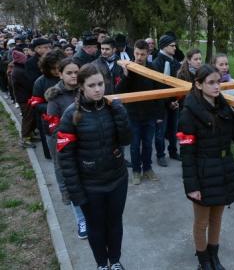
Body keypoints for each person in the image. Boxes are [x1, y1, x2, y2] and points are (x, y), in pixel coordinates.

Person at [57, 64, 131, 270]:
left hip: (117, 180)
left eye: (101, 84)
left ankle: (115, 261)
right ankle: (101, 264)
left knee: (115, 224)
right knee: (96, 228)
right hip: (90, 185)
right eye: (92, 85)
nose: (98, 89)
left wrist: (121, 114)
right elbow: (66, 160)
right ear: (81, 86)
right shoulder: (71, 115)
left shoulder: (112, 108)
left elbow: (126, 140)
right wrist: (75, 192)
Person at [178, 64, 234, 270]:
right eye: (211, 83)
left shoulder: (224, 105)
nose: (217, 86)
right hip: (202, 172)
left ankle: (214, 256)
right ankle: (203, 261)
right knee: (202, 222)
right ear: (198, 85)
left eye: (219, 82)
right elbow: (187, 154)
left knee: (217, 218)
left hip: (224, 169)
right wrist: (192, 186)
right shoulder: (189, 114)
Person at [44, 57, 87, 239]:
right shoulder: (55, 98)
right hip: (66, 147)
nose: (74, 76)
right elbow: (54, 128)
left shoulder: (84, 91)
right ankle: (81, 220)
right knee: (72, 184)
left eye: (76, 72)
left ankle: (90, 214)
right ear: (60, 74)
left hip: (85, 144)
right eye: (69, 73)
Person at [116, 40, 165, 185]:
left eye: (142, 54)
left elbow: (160, 92)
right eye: (137, 53)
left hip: (149, 115)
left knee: (148, 144)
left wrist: (159, 115)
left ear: (148, 53)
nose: (139, 57)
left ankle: (148, 169)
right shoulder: (127, 67)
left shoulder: (153, 68)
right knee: (135, 145)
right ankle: (136, 171)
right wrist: (125, 76)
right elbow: (118, 92)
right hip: (132, 115)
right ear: (134, 52)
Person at [153, 34, 182, 166]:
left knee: (173, 129)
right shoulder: (156, 63)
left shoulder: (175, 62)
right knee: (160, 130)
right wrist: (167, 102)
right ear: (164, 46)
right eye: (172, 45)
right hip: (160, 104)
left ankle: (173, 151)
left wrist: (176, 100)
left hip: (175, 102)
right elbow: (157, 86)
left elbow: (180, 82)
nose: (175, 48)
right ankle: (160, 154)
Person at [31, 49, 65, 159]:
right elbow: (36, 104)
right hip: (50, 122)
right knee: (56, 154)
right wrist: (55, 108)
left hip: (70, 121)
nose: (56, 71)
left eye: (58, 67)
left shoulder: (70, 77)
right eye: (53, 68)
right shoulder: (40, 82)